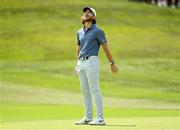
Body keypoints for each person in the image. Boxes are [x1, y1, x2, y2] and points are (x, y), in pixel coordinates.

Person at [75, 6, 118, 125]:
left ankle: (100, 118)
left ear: (94, 17)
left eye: (89, 13)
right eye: (85, 12)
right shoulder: (79, 32)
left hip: (92, 61)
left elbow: (106, 47)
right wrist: (78, 61)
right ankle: (88, 117)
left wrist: (112, 63)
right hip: (81, 63)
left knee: (94, 89)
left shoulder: (98, 31)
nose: (86, 14)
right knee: (85, 91)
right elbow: (79, 48)